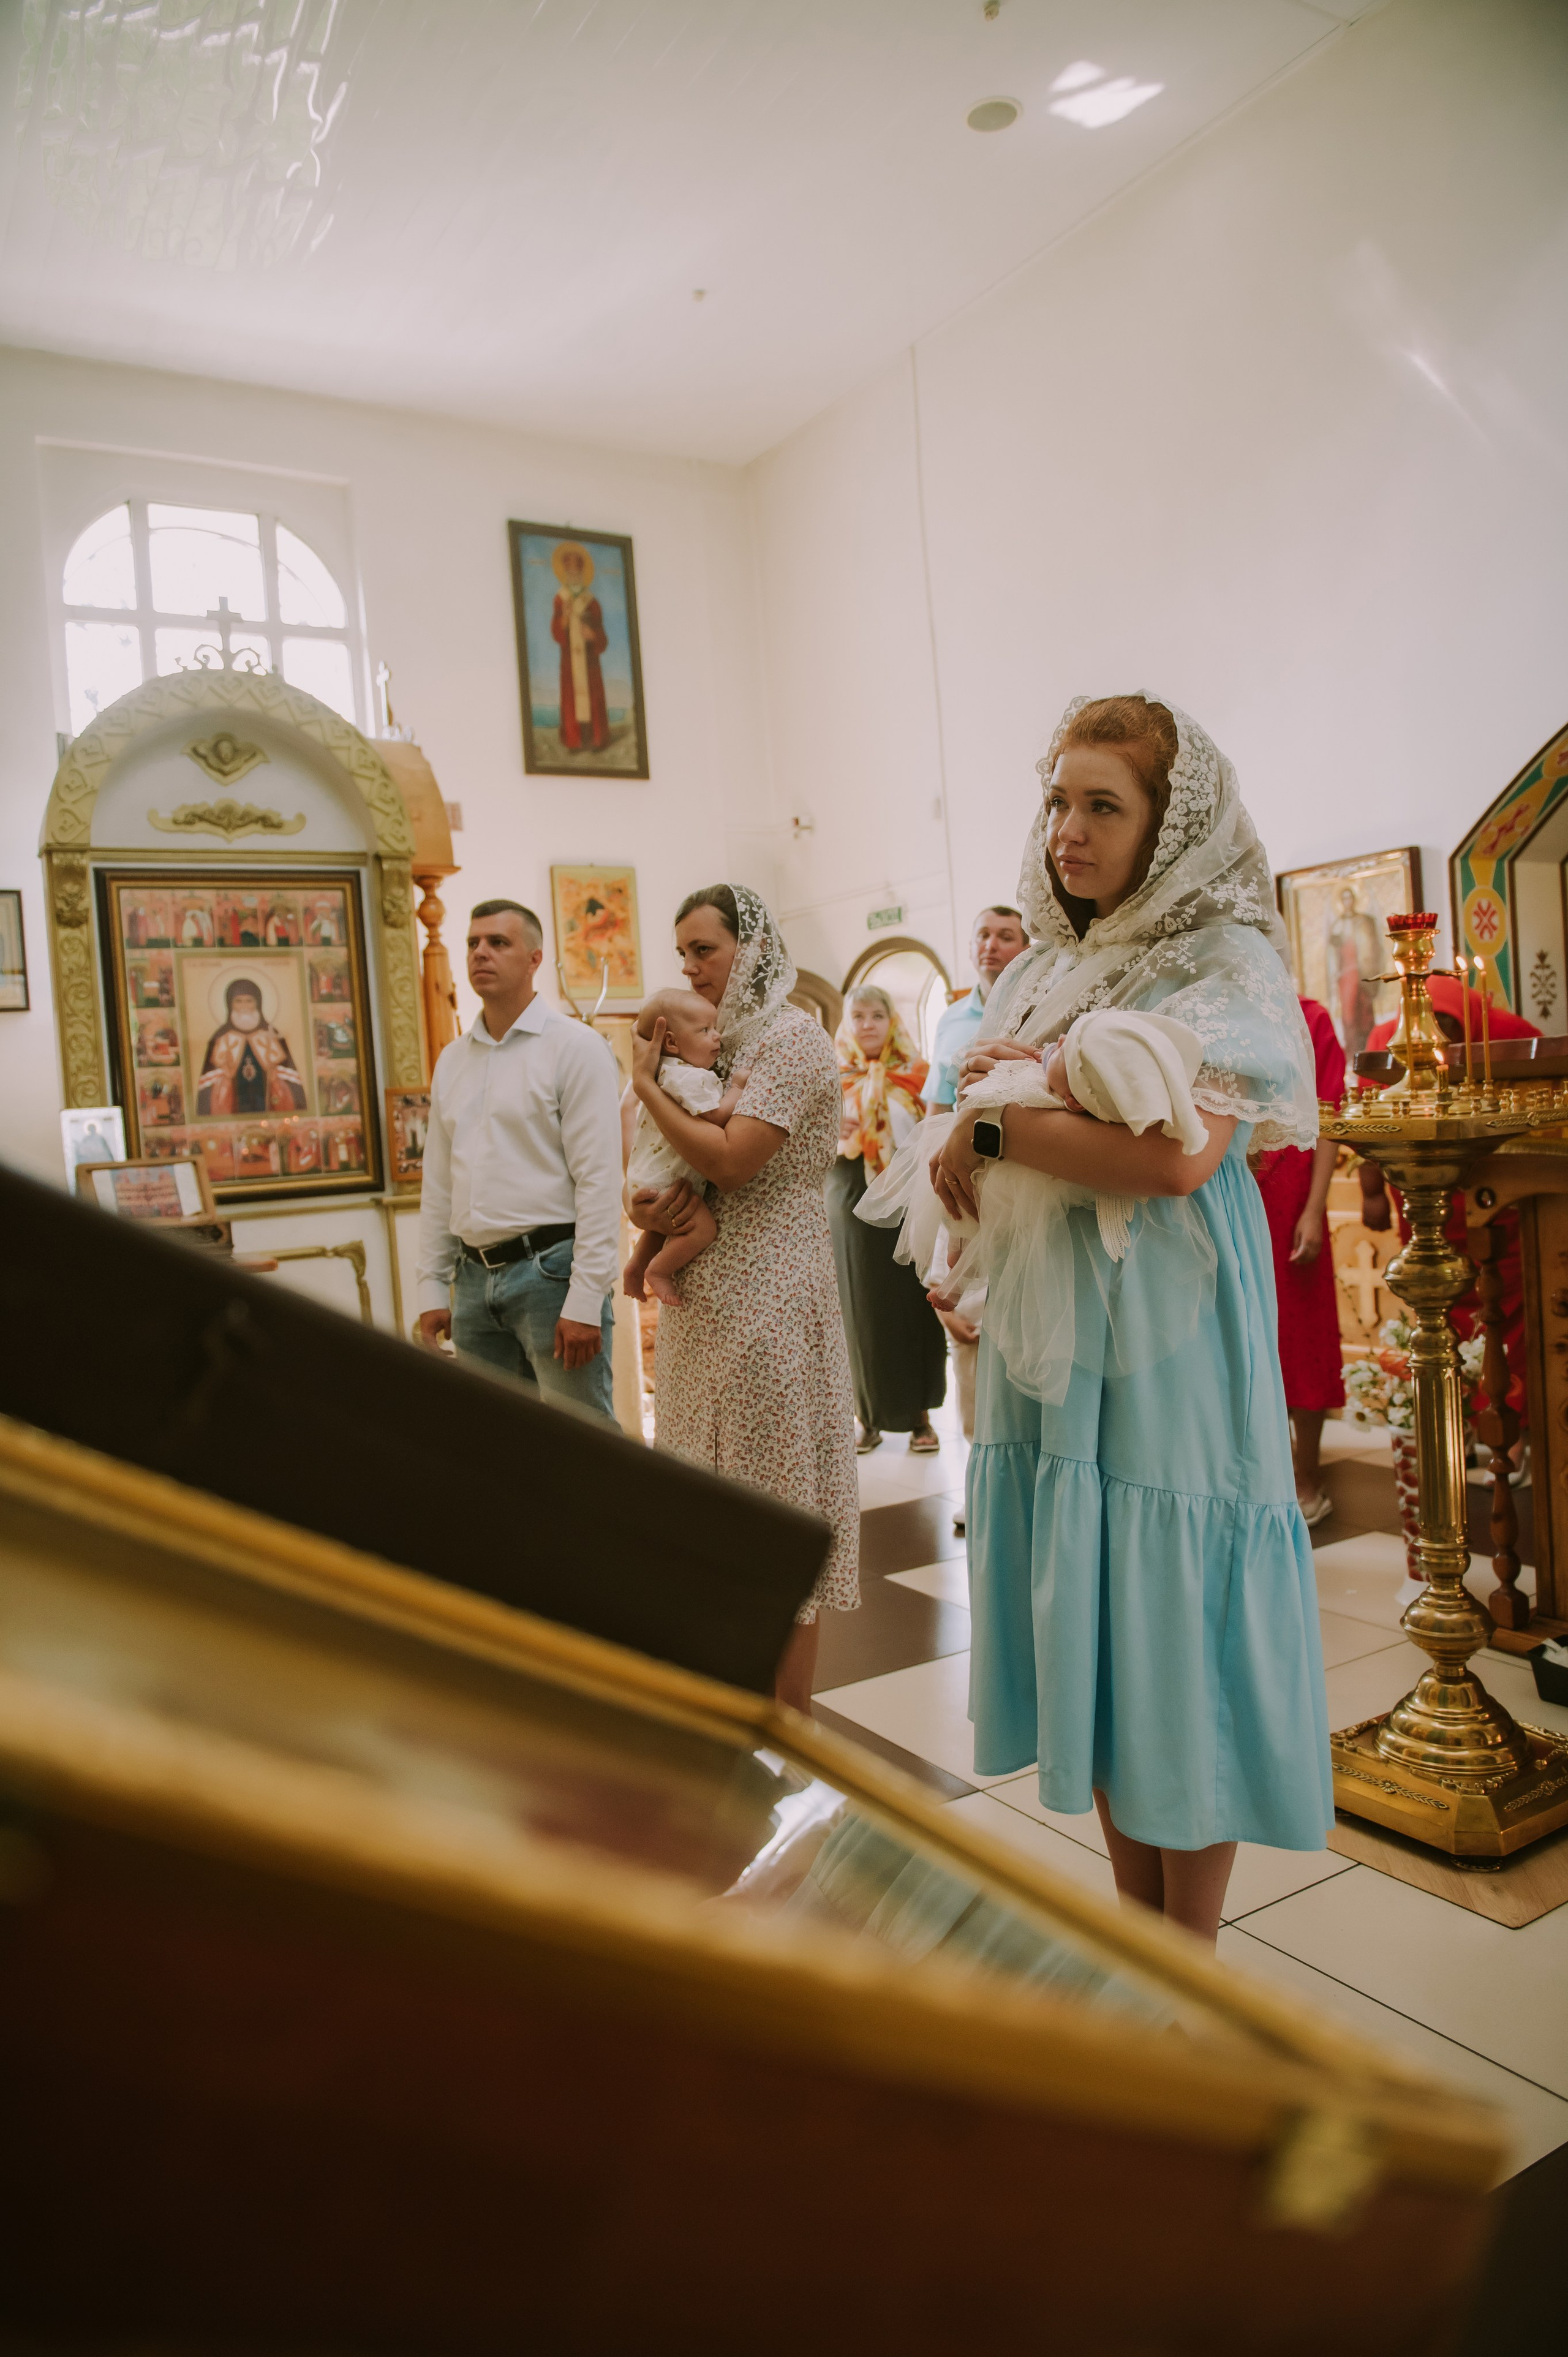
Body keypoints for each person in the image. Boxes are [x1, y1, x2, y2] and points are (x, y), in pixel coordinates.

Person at [934, 693, 1330, 1947]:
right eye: (1057, 800)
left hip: (1170, 1329)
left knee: (1172, 1630)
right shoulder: (1049, 965)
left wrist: (993, 1121)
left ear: (1166, 826)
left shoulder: (1226, 961)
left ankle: (1192, 1953)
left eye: (1101, 804)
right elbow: (997, 1121)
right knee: (1096, 1620)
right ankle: (1133, 1931)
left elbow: (1172, 1159)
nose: (1067, 829)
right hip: (1055, 1329)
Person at [627, 883, 858, 1714]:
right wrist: (644, 1206)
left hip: (773, 1298)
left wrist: (647, 1085)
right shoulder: (709, 1043)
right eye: (682, 951)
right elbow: (657, 1161)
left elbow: (729, 1162)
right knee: (711, 1504)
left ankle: (784, 1724)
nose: (689, 968)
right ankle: (726, 1705)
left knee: (773, 1506)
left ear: (750, 950)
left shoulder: (793, 1040)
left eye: (705, 950)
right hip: (703, 1304)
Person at [415, 899, 622, 1423]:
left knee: (582, 1445)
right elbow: (439, 1183)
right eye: (473, 943)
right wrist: (431, 1286)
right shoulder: (453, 1060)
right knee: (495, 1451)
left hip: (551, 1276)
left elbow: (599, 1182)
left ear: (534, 960)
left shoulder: (576, 1048)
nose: (480, 953)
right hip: (473, 1279)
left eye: (498, 943)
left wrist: (584, 1299)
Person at [924, 905, 1030, 1519]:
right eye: (983, 935)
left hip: (1022, 1176)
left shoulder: (1041, 1000)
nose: (991, 946)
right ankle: (978, 1484)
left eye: (1005, 936)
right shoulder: (953, 1020)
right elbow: (939, 1109)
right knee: (968, 1338)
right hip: (965, 1175)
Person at [829, 985, 946, 1454]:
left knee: (913, 1303)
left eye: (878, 1015)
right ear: (847, 1023)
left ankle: (920, 1417)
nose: (868, 1024)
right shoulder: (831, 1080)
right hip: (850, 1199)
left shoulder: (918, 1076)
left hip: (905, 1199)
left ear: (892, 1021)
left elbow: (934, 1132)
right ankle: (867, 1417)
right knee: (859, 1310)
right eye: (858, 1016)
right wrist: (826, 1128)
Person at [1253, 998, 1346, 1526]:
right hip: (1233, 1184)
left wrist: (1315, 1209)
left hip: (1293, 1194)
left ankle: (1307, 1473)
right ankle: (1264, 1475)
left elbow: (1329, 1117)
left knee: (1302, 1336)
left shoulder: (1311, 1018)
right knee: (1248, 1337)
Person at [622, 987, 753, 1305]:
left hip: (652, 1179)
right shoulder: (688, 1078)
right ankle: (660, 1272)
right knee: (702, 1229)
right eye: (705, 1031)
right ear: (672, 1043)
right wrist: (736, 1088)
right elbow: (717, 1117)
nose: (717, 1037)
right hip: (666, 1180)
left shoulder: (665, 1074)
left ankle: (637, 1266)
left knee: (664, 1226)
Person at [197, 979, 306, 1115]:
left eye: (249, 1001)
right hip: (233, 1112)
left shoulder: (272, 1035)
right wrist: (226, 1079)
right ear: (230, 1004)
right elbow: (207, 1089)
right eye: (238, 1001)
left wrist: (275, 1079)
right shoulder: (220, 1038)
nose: (244, 1006)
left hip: (268, 1110)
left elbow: (292, 1082)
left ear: (258, 1003)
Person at [551, 541, 610, 755]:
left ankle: (597, 740)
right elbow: (556, 632)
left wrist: (593, 635)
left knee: (592, 698)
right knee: (571, 698)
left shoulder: (592, 602)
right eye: (570, 571)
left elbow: (603, 637)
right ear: (565, 573)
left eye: (577, 571)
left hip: (590, 662)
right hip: (569, 660)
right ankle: (574, 741)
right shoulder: (561, 600)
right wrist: (565, 620)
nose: (573, 574)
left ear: (583, 573)